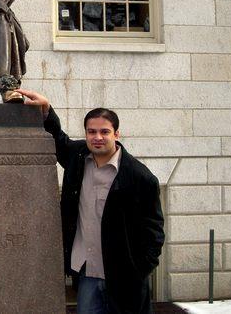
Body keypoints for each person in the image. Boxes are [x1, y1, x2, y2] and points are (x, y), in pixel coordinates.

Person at [16, 88, 165, 314]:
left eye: (104, 131)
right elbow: (59, 140)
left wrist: (139, 269)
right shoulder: (77, 158)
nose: (97, 137)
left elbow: (154, 231)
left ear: (117, 134)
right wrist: (46, 110)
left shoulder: (140, 178)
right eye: (91, 131)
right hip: (87, 273)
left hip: (125, 279)